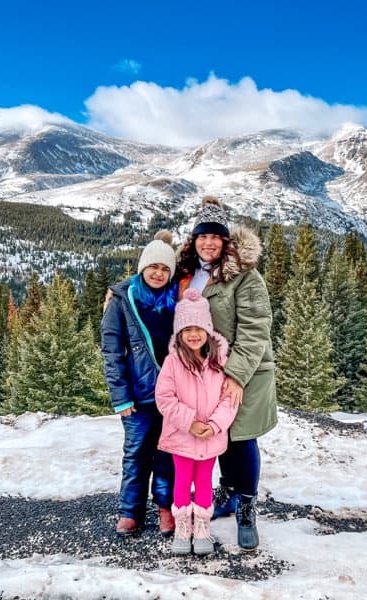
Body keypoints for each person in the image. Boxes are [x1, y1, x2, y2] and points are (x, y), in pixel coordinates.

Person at [175, 196, 278, 551]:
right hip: (205, 374)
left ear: (225, 241)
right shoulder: (188, 273)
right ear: (194, 239)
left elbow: (255, 329)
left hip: (243, 373)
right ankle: (229, 494)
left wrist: (235, 376)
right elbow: (150, 285)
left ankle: (246, 506)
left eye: (215, 238)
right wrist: (118, 294)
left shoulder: (246, 278)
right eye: (202, 236)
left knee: (240, 437)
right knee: (216, 437)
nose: (208, 243)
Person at [100, 231, 177, 537]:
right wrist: (120, 396)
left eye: (164, 269)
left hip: (173, 394)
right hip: (137, 393)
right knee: (136, 452)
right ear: (142, 267)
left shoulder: (178, 299)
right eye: (153, 267)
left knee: (167, 453)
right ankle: (130, 511)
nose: (158, 273)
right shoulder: (122, 299)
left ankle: (165, 508)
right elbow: (112, 350)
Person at [155, 288, 238, 556]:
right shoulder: (173, 362)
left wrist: (214, 426)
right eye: (187, 328)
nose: (193, 334)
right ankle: (183, 527)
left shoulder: (219, 361)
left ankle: (201, 527)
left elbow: (229, 400)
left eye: (198, 328)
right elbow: (164, 398)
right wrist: (189, 422)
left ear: (208, 330)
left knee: (203, 481)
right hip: (182, 436)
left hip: (210, 437)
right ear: (179, 333)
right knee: (181, 481)